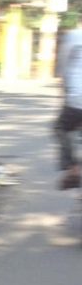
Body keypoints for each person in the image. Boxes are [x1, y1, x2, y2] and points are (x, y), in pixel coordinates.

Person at [54, 29, 82, 189]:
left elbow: (62, 66)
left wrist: (63, 90)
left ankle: (74, 169)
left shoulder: (75, 36)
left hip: (78, 98)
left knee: (60, 128)